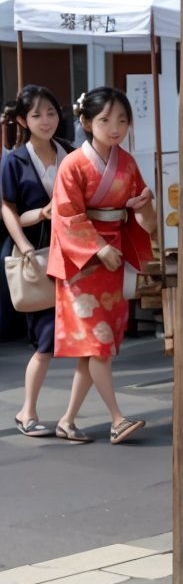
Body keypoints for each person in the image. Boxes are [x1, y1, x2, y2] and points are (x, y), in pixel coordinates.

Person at [47, 86, 157, 443]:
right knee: (98, 345)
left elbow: (147, 222)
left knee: (94, 350)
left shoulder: (128, 164)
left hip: (115, 257)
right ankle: (117, 418)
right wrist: (96, 248)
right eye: (106, 119)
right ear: (85, 121)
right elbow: (66, 216)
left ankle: (67, 420)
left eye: (122, 120)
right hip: (83, 267)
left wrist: (145, 206)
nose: (115, 127)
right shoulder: (73, 165)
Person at [1, 86, 73, 435]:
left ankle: (70, 418)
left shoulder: (71, 153)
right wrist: (25, 245)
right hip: (37, 256)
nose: (46, 120)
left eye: (51, 112)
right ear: (22, 120)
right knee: (46, 339)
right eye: (36, 115)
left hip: (73, 256)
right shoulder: (14, 160)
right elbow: (7, 208)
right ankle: (27, 412)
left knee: (84, 342)